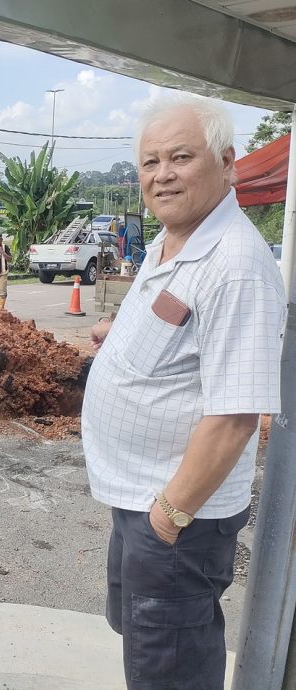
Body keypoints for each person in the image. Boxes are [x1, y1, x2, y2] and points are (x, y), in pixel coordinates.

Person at [81, 95, 285, 689]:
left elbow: (235, 417)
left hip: (177, 515)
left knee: (168, 668)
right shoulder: (175, 240)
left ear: (226, 163)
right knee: (146, 643)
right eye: (150, 162)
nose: (161, 174)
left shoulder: (236, 264)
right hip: (140, 498)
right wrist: (116, 336)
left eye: (179, 157)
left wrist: (167, 519)